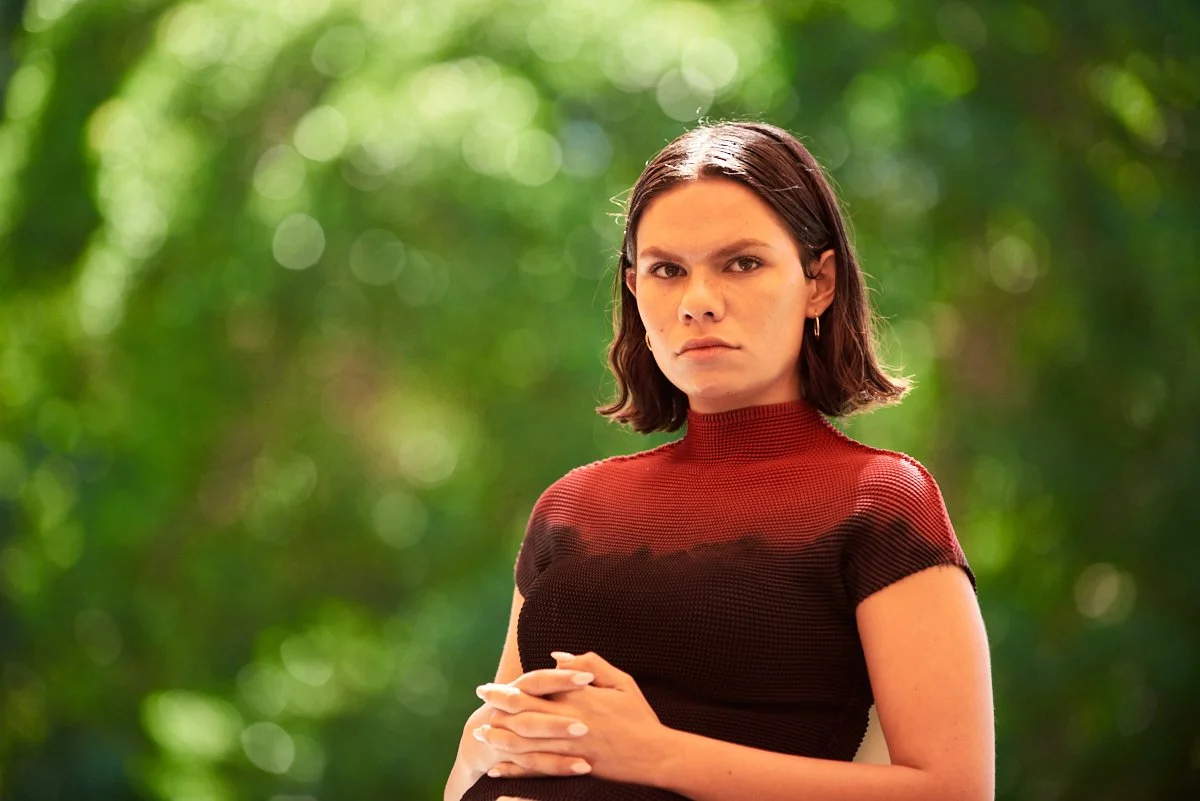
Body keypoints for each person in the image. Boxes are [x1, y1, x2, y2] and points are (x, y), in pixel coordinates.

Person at [443, 121, 994, 801]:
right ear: (635, 289)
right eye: (667, 270)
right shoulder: (571, 507)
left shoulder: (879, 500)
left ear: (818, 281)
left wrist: (656, 754)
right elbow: (488, 756)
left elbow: (953, 789)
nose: (698, 301)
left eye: (741, 263)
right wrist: (481, 745)